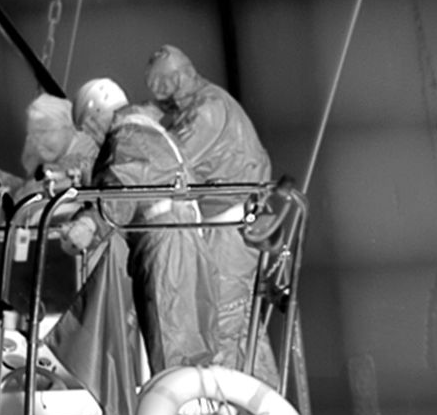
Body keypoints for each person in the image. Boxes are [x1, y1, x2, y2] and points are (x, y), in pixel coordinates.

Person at [145, 44, 278, 384]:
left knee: (226, 325)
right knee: (242, 329)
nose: (162, 103)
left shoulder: (206, 112)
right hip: (235, 226)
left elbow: (169, 162)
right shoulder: (212, 103)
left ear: (174, 80)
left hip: (228, 231)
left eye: (161, 92)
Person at [61, 103, 216, 373]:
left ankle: (176, 411)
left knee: (173, 353)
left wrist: (88, 224)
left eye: (89, 123)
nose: (90, 132)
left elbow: (123, 192)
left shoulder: (126, 137)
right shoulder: (156, 134)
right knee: (195, 348)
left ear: (101, 110)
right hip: (186, 237)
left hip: (164, 244)